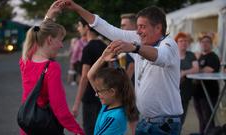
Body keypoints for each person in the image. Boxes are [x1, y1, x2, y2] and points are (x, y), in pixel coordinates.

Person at [46, 1, 184, 134]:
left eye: (142, 26)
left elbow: (160, 56)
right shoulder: (141, 39)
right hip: (145, 121)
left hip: (164, 125)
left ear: (158, 28)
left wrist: (135, 48)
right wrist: (77, 8)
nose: (139, 31)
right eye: (138, 27)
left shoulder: (169, 44)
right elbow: (107, 29)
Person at [19, 18, 84, 134]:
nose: (61, 46)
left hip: (28, 125)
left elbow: (38, 33)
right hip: (44, 127)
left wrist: (49, 17)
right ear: (49, 40)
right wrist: (78, 130)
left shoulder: (25, 61)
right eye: (60, 41)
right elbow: (59, 108)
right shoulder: (51, 68)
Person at [87, 45, 139, 135]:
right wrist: (103, 58)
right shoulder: (108, 104)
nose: (96, 94)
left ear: (112, 92)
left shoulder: (114, 117)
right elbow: (90, 75)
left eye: (99, 91)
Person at [72, 17, 107, 135]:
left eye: (79, 26)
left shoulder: (87, 48)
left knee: (90, 129)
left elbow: (84, 77)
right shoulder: (104, 46)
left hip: (90, 96)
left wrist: (76, 103)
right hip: (103, 94)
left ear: (86, 28)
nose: (78, 29)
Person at [193, 35, 220, 134]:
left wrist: (196, 69)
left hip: (209, 93)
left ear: (211, 44)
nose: (204, 44)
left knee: (208, 118)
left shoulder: (213, 57)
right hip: (198, 92)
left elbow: (209, 70)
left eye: (207, 42)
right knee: (201, 119)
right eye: (202, 42)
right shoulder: (199, 57)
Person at [175, 32, 199, 125]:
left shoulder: (191, 55)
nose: (184, 43)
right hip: (173, 89)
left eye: (185, 41)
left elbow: (196, 69)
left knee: (182, 114)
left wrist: (184, 73)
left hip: (186, 89)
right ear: (176, 43)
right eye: (181, 41)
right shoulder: (172, 55)